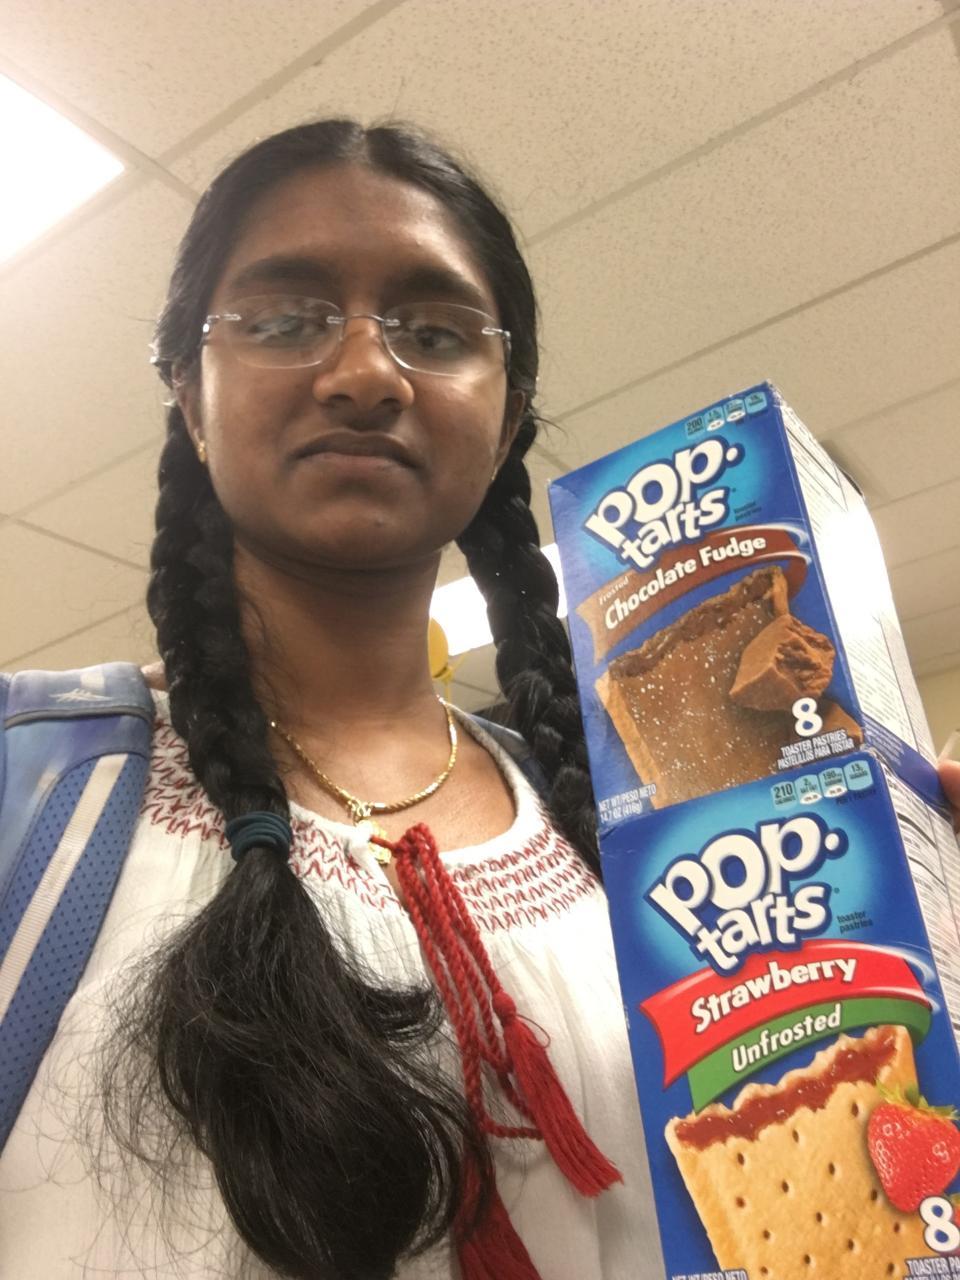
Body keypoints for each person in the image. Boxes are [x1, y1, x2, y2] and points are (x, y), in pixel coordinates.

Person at [2, 118, 959, 1280]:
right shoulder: (35, 782)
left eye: (436, 332)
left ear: (507, 423)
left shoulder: (655, 841)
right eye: (286, 318)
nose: (363, 373)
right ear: (190, 397)